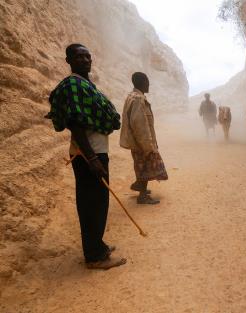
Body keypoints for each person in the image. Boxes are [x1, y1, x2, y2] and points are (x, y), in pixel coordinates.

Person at [46, 43, 126, 269]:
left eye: (88, 56)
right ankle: (94, 256)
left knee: (98, 202)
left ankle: (97, 246)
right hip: (88, 154)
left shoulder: (85, 84)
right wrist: (91, 159)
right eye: (79, 56)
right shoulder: (73, 84)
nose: (85, 60)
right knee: (92, 203)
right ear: (68, 61)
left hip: (95, 152)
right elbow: (74, 122)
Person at [120, 72, 168, 204]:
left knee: (142, 165)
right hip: (141, 142)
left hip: (138, 141)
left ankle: (140, 186)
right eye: (147, 81)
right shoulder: (138, 99)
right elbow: (139, 124)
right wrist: (147, 145)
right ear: (142, 82)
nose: (149, 84)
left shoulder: (134, 96)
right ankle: (142, 196)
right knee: (145, 166)